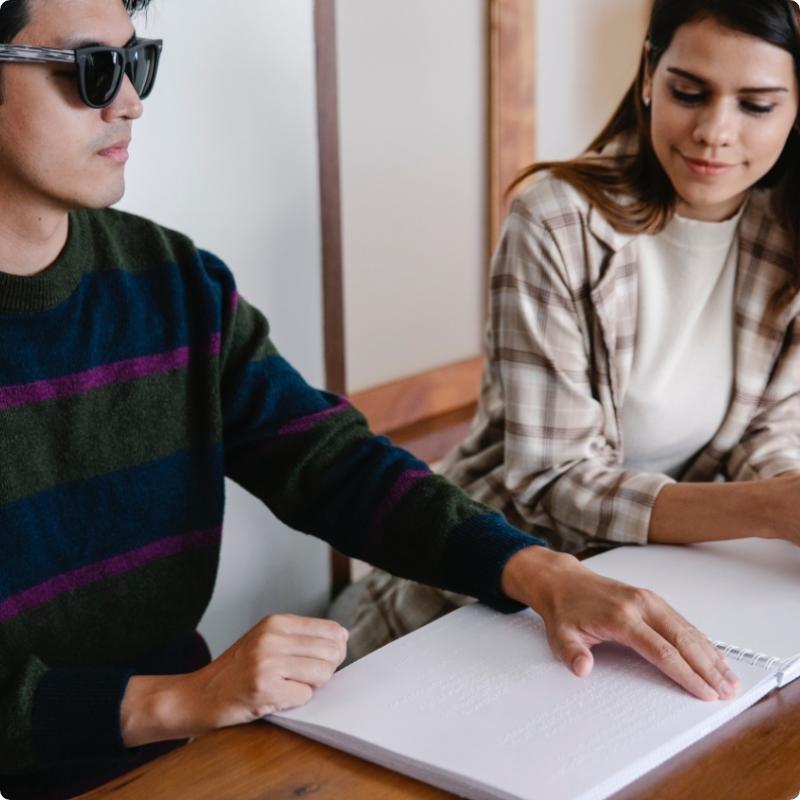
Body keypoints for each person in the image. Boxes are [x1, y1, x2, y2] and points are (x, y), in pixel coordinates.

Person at [0, 1, 738, 798]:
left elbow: (331, 464)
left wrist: (535, 572)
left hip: (183, 757)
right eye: (90, 70)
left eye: (136, 62)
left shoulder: (171, 281)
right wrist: (177, 697)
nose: (132, 102)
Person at [350, 0, 800, 658]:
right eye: (688, 92)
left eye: (756, 106)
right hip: (489, 595)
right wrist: (767, 509)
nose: (714, 131)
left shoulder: (783, 238)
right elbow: (553, 479)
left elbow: (766, 434)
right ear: (649, 74)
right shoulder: (555, 222)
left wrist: (788, 501)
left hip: (666, 592)